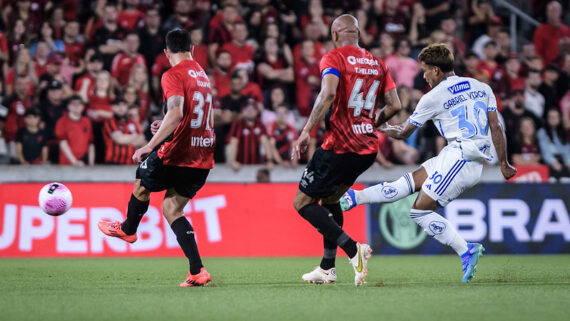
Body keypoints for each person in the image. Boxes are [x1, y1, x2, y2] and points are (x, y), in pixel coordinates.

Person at [340, 43, 518, 283]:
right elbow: (496, 127)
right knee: (407, 183)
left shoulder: (432, 97)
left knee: (419, 211)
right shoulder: (481, 86)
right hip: (456, 154)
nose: (423, 75)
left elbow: (403, 132)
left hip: (462, 157)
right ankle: (354, 198)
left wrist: (379, 126)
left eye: (425, 70)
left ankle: (466, 250)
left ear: (436, 70)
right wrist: (504, 163)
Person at [98, 29, 215, 287]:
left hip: (178, 153)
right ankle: (198, 271)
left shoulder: (172, 74)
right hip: (204, 153)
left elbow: (176, 112)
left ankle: (128, 229)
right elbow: (197, 114)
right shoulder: (203, 75)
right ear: (192, 49)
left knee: (142, 174)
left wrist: (149, 146)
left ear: (166, 53)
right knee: (172, 208)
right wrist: (167, 124)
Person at [291, 14, 401, 286]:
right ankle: (327, 268)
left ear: (335, 35)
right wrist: (370, 123)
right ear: (358, 34)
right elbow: (395, 105)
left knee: (302, 203)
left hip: (339, 146)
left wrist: (306, 130)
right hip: (366, 150)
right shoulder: (378, 64)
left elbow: (328, 94)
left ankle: (354, 250)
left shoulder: (334, 57)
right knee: (330, 201)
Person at [55, 96, 95, 166]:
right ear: (68, 106)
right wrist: (74, 162)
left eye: (79, 104)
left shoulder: (87, 121)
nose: (76, 106)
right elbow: (63, 143)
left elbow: (90, 143)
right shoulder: (62, 121)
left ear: (83, 106)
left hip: (84, 162)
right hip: (67, 163)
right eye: (73, 104)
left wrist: (91, 162)